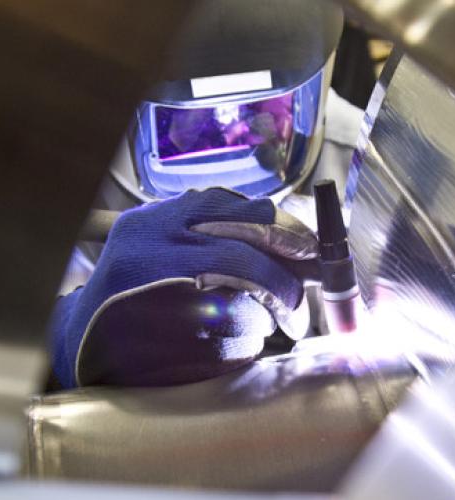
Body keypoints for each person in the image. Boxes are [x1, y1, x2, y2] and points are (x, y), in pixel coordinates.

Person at [49, 0, 365, 389]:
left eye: (260, 113)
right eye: (183, 125)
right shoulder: (57, 166)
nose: (228, 127)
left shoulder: (358, 156)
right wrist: (64, 339)